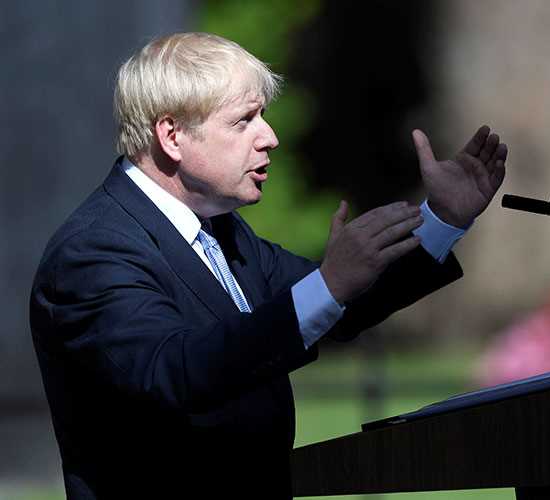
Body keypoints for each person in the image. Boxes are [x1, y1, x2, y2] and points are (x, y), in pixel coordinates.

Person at [30, 32, 507, 499]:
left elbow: (338, 304)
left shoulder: (221, 229)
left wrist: (442, 220)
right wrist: (331, 284)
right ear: (171, 136)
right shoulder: (94, 251)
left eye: (264, 115)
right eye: (244, 120)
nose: (270, 137)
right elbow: (176, 372)